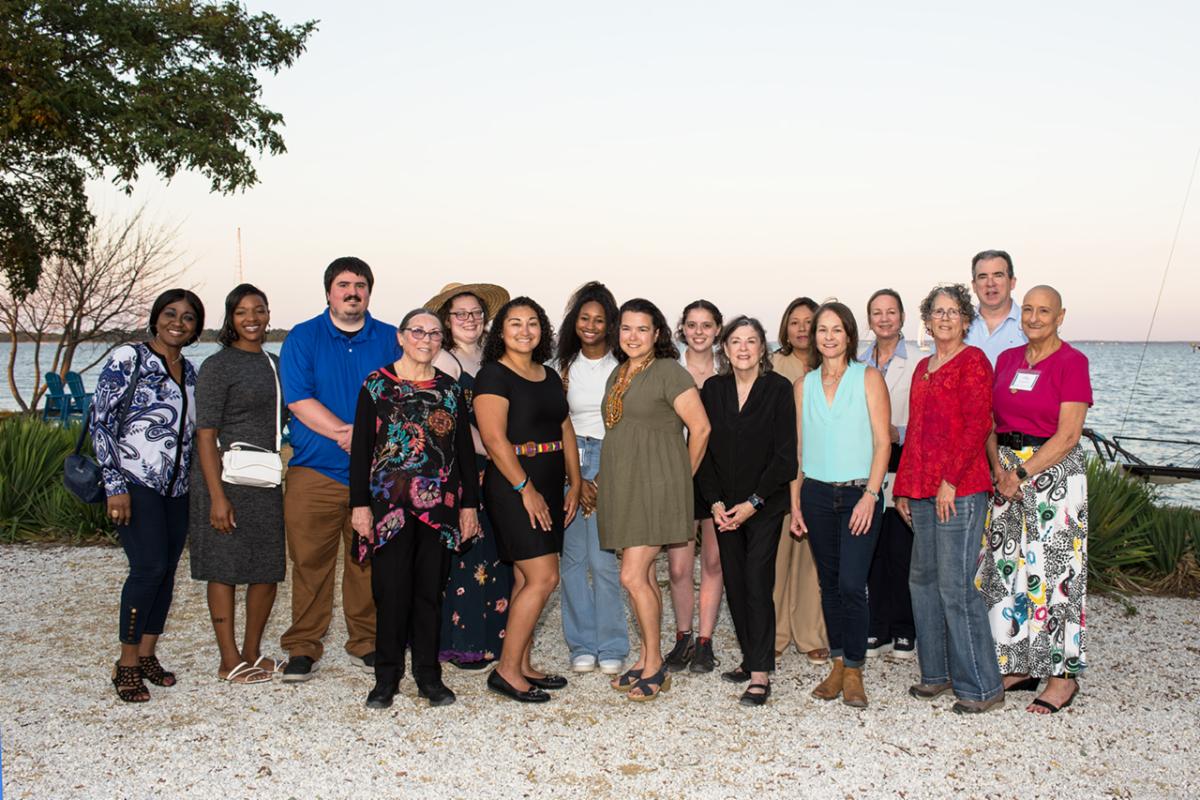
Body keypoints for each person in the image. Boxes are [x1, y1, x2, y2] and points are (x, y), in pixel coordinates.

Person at [277, 257, 402, 682]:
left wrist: (367, 439)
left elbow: (401, 396)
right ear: (329, 292)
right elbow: (298, 399)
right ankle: (303, 646)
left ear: (370, 291)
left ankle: (365, 641)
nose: (352, 292)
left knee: (366, 562)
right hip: (315, 471)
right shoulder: (303, 337)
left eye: (360, 285)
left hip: (376, 475)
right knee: (310, 562)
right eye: (344, 285)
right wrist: (348, 434)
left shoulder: (389, 338)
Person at [350, 309, 481, 708]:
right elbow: (361, 450)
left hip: (438, 508)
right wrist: (359, 506)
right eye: (418, 332)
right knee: (390, 594)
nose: (426, 339)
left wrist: (470, 506)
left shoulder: (450, 389)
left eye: (435, 333)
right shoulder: (376, 385)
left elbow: (463, 453)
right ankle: (386, 679)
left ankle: (428, 677)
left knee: (429, 594)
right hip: (388, 507)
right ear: (402, 337)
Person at [976, 285, 1092, 714]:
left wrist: (1021, 474)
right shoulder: (1007, 360)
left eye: (1044, 311)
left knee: (1057, 571)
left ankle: (1062, 676)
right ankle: (1019, 664)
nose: (1034, 317)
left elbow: (1069, 434)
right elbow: (990, 423)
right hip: (1005, 472)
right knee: (1008, 570)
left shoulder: (1072, 362)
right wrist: (998, 468)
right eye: (1027, 309)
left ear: (1061, 316)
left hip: (1052, 474)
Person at [893, 284, 1004, 714]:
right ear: (927, 319)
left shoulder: (973, 362)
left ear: (966, 320)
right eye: (937, 312)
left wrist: (950, 482)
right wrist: (904, 488)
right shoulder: (923, 367)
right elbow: (916, 432)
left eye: (953, 311)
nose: (944, 318)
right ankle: (936, 673)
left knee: (957, 588)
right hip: (921, 491)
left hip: (960, 491)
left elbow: (979, 425)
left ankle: (981, 686)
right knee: (922, 583)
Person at [93, 288, 204, 702]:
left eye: (188, 317)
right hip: (135, 482)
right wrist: (114, 485)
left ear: (196, 327)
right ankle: (125, 663)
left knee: (167, 570)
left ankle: (147, 655)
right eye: (170, 313)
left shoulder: (191, 372)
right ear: (156, 318)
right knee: (147, 568)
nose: (178, 322)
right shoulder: (129, 358)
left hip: (177, 489)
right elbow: (101, 423)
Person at [598, 298, 711, 702]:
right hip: (626, 486)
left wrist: (680, 479)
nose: (633, 336)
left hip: (656, 488)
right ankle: (648, 658)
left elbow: (701, 428)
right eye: (626, 328)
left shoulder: (669, 371)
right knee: (642, 576)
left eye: (642, 329)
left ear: (657, 333)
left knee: (631, 576)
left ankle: (656, 665)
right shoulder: (619, 373)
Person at [475, 297, 582, 703]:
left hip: (551, 483)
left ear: (543, 330)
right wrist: (526, 489)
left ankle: (520, 663)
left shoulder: (548, 375)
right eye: (515, 323)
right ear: (500, 332)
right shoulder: (492, 375)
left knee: (525, 578)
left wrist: (575, 482)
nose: (525, 330)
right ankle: (505, 672)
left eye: (532, 322)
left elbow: (565, 428)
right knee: (544, 577)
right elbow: (493, 439)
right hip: (514, 485)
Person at [792, 301, 890, 709]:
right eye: (822, 330)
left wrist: (871, 495)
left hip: (858, 494)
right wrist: (795, 503)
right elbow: (799, 451)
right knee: (829, 584)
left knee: (852, 584)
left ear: (849, 335)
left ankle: (854, 668)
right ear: (814, 337)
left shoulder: (868, 378)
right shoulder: (804, 386)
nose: (829, 337)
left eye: (836, 329)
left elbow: (883, 443)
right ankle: (837, 663)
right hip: (815, 494)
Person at [189, 284, 287, 685]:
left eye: (259, 310)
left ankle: (252, 652)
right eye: (243, 311)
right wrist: (217, 497)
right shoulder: (218, 366)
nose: (252, 318)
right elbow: (205, 434)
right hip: (224, 478)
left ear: (268, 315)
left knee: (267, 568)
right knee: (224, 567)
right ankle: (228, 660)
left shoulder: (275, 364)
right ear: (231, 318)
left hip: (264, 477)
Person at [697, 316, 796, 706]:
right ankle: (750, 655)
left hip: (764, 505)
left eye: (751, 341)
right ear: (724, 348)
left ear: (762, 348)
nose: (743, 348)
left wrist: (753, 503)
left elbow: (785, 457)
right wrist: (715, 502)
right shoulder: (713, 389)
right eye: (735, 341)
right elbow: (702, 450)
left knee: (756, 580)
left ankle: (760, 674)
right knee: (735, 583)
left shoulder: (778, 389)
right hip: (724, 508)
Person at [426, 282, 515, 670]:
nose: (469, 319)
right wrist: (495, 449)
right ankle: (464, 641)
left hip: (497, 464)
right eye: (460, 313)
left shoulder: (492, 358)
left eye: (476, 313)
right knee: (467, 552)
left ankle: (498, 637)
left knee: (497, 549)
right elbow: (448, 423)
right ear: (447, 320)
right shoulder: (445, 361)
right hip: (465, 467)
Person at [554, 281, 629, 675]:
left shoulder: (623, 367)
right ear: (575, 321)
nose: (591, 325)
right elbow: (558, 422)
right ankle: (581, 645)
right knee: (572, 560)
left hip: (610, 457)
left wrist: (599, 477)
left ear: (610, 324)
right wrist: (577, 479)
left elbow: (626, 426)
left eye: (599, 320)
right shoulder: (561, 367)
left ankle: (612, 644)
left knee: (602, 559)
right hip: (570, 459)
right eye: (584, 318)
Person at [663, 299, 725, 674]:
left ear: (717, 329)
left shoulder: (729, 366)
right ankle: (682, 635)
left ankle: (705, 640)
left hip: (719, 476)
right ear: (682, 329)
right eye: (692, 325)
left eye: (706, 325)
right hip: (679, 472)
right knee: (678, 567)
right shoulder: (669, 368)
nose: (699, 332)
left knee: (714, 562)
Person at [769, 297, 829, 665]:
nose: (803, 328)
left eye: (810, 321)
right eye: (795, 322)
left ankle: (810, 634)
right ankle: (774, 632)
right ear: (785, 328)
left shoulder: (832, 365)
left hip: (820, 469)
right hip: (780, 469)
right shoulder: (773, 364)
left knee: (811, 557)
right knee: (777, 555)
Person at [860, 289, 918, 661]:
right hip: (866, 465)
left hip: (902, 462)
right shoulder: (857, 362)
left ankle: (905, 629)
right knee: (872, 551)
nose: (884, 318)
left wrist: (899, 431)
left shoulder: (917, 362)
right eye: (877, 313)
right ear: (869, 320)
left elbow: (926, 419)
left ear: (902, 317)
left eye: (891, 311)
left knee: (902, 552)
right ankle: (877, 626)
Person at [965, 249, 1026, 365]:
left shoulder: (1031, 325)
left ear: (1012, 282)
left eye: (998, 275)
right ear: (974, 286)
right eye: (983, 277)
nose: (990, 283)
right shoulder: (959, 326)